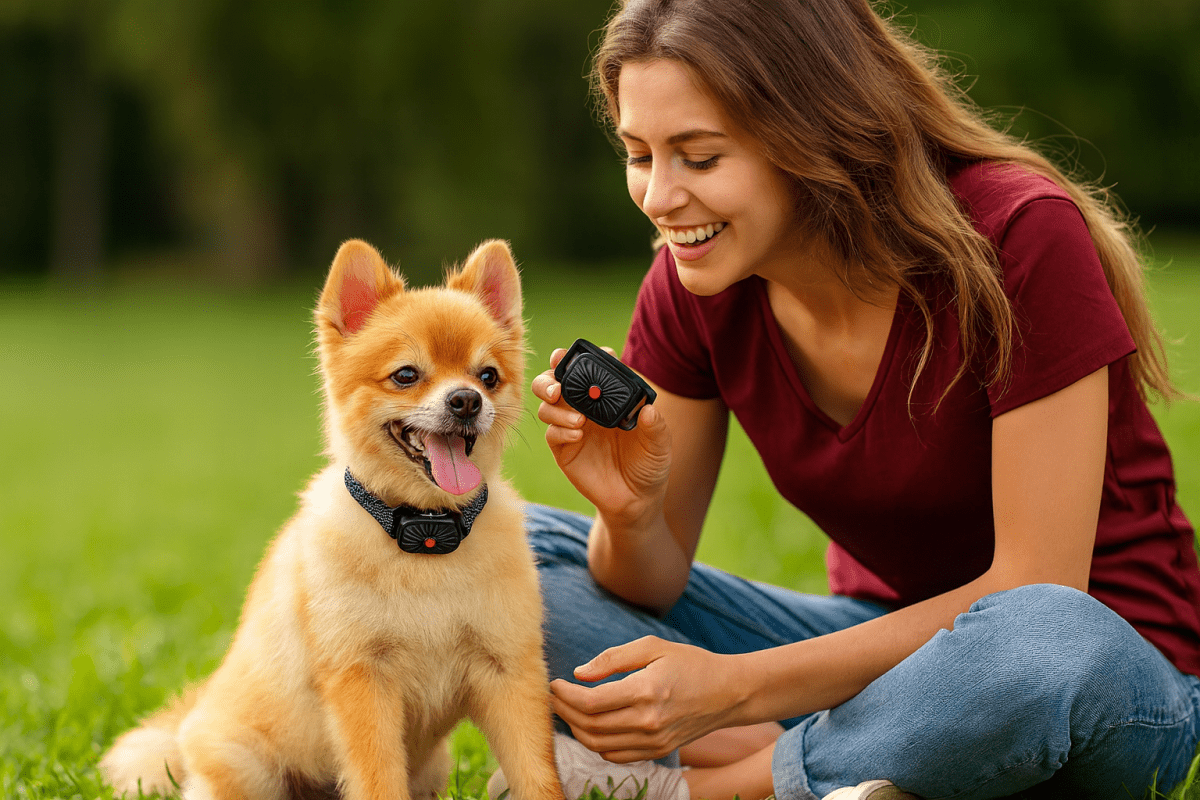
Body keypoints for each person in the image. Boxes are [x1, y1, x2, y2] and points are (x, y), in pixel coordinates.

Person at [504, 1, 1200, 798]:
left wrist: (730, 689)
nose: (660, 198)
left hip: (1107, 678)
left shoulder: (1019, 237)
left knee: (1042, 634)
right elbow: (647, 589)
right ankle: (866, 761)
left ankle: (717, 785)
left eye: (698, 158)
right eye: (639, 155)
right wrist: (631, 515)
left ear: (809, 134)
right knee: (499, 549)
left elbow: (1038, 586)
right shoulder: (699, 278)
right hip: (871, 646)